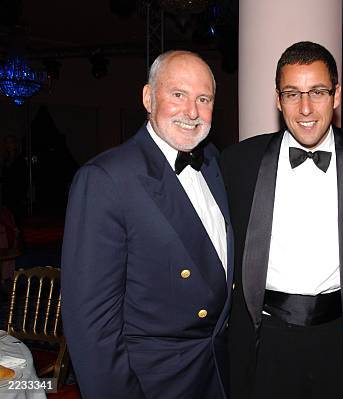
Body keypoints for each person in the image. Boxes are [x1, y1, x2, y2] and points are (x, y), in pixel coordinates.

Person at [61, 50, 233, 399]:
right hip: (155, 383)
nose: (192, 112)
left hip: (216, 371)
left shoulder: (213, 162)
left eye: (204, 99)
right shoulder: (106, 179)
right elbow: (91, 326)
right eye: (178, 95)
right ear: (148, 97)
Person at [220, 41, 343, 399]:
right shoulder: (238, 162)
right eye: (293, 94)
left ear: (336, 95)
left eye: (318, 92)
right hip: (264, 337)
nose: (306, 108)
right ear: (278, 99)